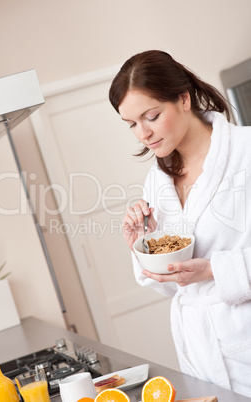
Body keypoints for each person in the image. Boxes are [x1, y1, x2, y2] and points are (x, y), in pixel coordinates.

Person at [109, 50, 251, 398]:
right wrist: (143, 246)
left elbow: (207, 271)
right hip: (202, 356)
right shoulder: (156, 181)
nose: (142, 133)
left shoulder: (247, 152)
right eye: (131, 124)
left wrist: (217, 270)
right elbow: (176, 284)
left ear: (184, 98)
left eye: (151, 116)